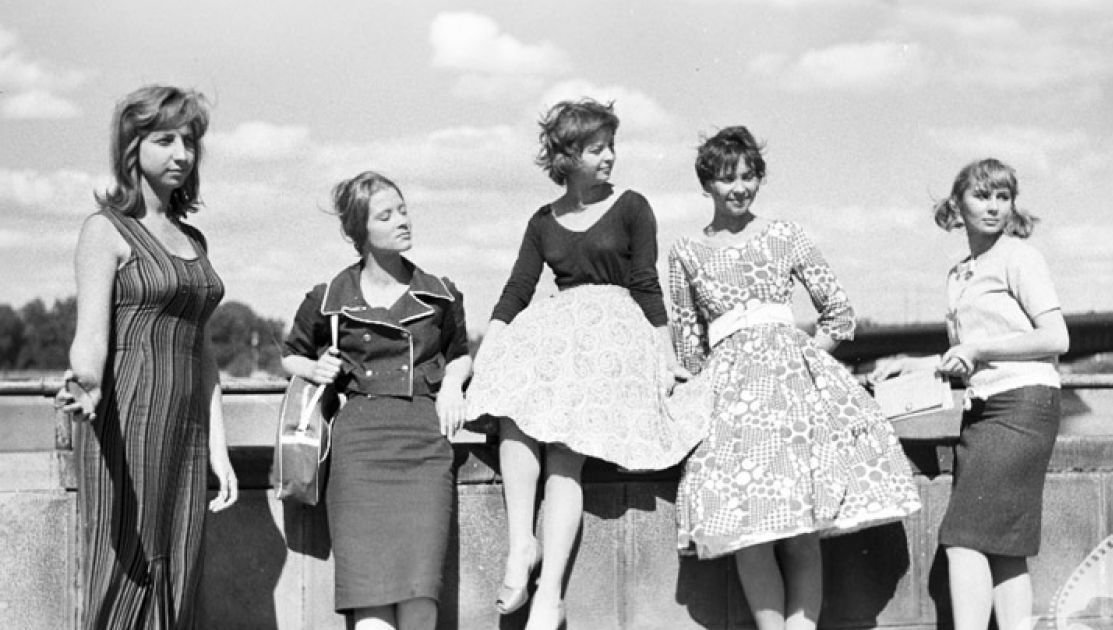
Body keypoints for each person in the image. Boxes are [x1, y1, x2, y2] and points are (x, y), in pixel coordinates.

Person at [466, 98, 709, 630]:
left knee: (566, 451)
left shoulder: (632, 206)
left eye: (611, 147)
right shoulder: (542, 221)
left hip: (613, 335)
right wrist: (489, 355)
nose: (610, 158)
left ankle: (549, 594)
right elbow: (517, 291)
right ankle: (519, 548)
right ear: (568, 156)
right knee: (513, 414)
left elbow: (646, 284)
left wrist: (666, 357)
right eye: (598, 149)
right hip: (559, 333)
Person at [669, 126, 922, 630]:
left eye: (748, 176)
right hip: (732, 400)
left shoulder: (785, 235)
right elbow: (687, 340)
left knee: (803, 527)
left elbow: (839, 312)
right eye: (725, 178)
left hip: (793, 391)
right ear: (706, 184)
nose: (738, 188)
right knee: (749, 529)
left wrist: (800, 354)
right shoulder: (685, 252)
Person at [54, 84, 238, 628]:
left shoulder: (194, 239)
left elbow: (202, 351)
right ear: (132, 147)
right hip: (128, 422)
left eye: (189, 141)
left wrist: (219, 448)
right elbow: (90, 335)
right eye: (165, 139)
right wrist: (85, 380)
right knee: (124, 575)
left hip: (186, 432)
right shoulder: (105, 230)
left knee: (179, 573)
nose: (182, 153)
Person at [872, 158, 1069, 630]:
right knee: (1003, 547)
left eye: (1004, 197)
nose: (994, 207)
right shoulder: (960, 274)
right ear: (957, 204)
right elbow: (968, 352)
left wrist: (976, 348)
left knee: (962, 538)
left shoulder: (1020, 257)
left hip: (1023, 405)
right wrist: (915, 362)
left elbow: (1056, 337)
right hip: (984, 408)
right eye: (983, 196)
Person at [281, 171, 472, 630]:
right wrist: (314, 368)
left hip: (424, 448)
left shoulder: (441, 294)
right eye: (386, 215)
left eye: (403, 210)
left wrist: (450, 385)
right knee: (369, 602)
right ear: (359, 231)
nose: (402, 221)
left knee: (420, 595)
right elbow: (291, 355)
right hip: (359, 452)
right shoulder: (327, 299)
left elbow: (460, 354)